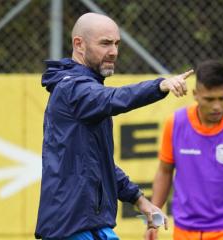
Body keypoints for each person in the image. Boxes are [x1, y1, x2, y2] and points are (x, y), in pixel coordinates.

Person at [35, 12, 193, 240]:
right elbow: (114, 98)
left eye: (117, 44)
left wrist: (141, 201)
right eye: (105, 43)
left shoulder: (84, 89)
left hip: (92, 225)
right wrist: (160, 86)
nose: (114, 52)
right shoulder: (73, 89)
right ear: (79, 44)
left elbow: (99, 164)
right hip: (69, 227)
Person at [146, 60, 223, 240]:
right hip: (184, 229)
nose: (217, 106)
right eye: (209, 99)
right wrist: (155, 220)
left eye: (222, 98)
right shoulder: (175, 123)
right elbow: (164, 172)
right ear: (196, 94)